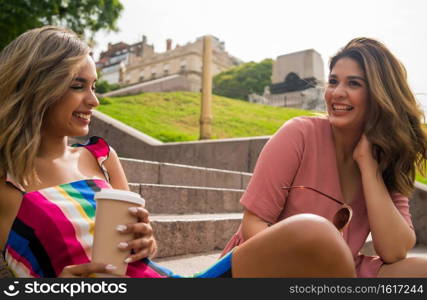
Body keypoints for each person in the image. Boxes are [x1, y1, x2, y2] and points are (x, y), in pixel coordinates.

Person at [0, 25, 358, 278]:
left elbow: (143, 252)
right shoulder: (7, 184)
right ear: (36, 87)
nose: (93, 100)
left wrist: (146, 242)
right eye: (77, 86)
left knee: (313, 235)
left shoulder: (101, 156)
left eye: (93, 86)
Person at [221, 37, 427, 277]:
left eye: (353, 84)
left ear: (379, 95)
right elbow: (252, 225)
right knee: (315, 230)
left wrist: (369, 168)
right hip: (267, 267)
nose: (337, 93)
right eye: (333, 82)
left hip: (338, 271)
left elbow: (394, 250)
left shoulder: (385, 159)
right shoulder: (299, 134)